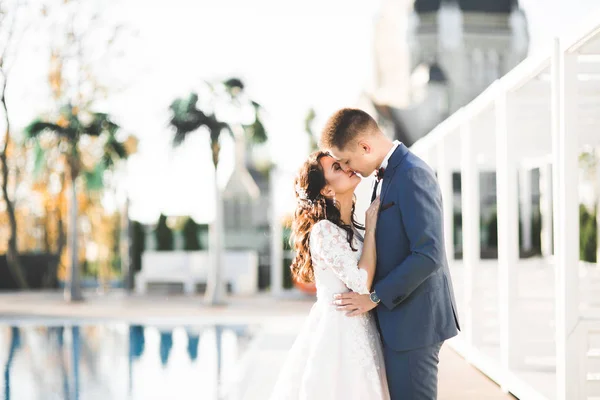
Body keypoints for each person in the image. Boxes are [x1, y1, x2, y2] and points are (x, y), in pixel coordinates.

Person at [321, 108, 460, 400]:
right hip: (400, 323)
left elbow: (429, 253)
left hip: (415, 324)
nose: (350, 169)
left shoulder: (412, 173)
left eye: (347, 160)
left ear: (365, 147)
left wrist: (374, 297)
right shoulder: (388, 175)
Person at [269, 150, 390, 400]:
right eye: (337, 167)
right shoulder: (323, 230)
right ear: (326, 190)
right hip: (339, 336)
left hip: (362, 330)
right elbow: (360, 283)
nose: (347, 167)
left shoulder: (352, 231)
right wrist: (372, 227)